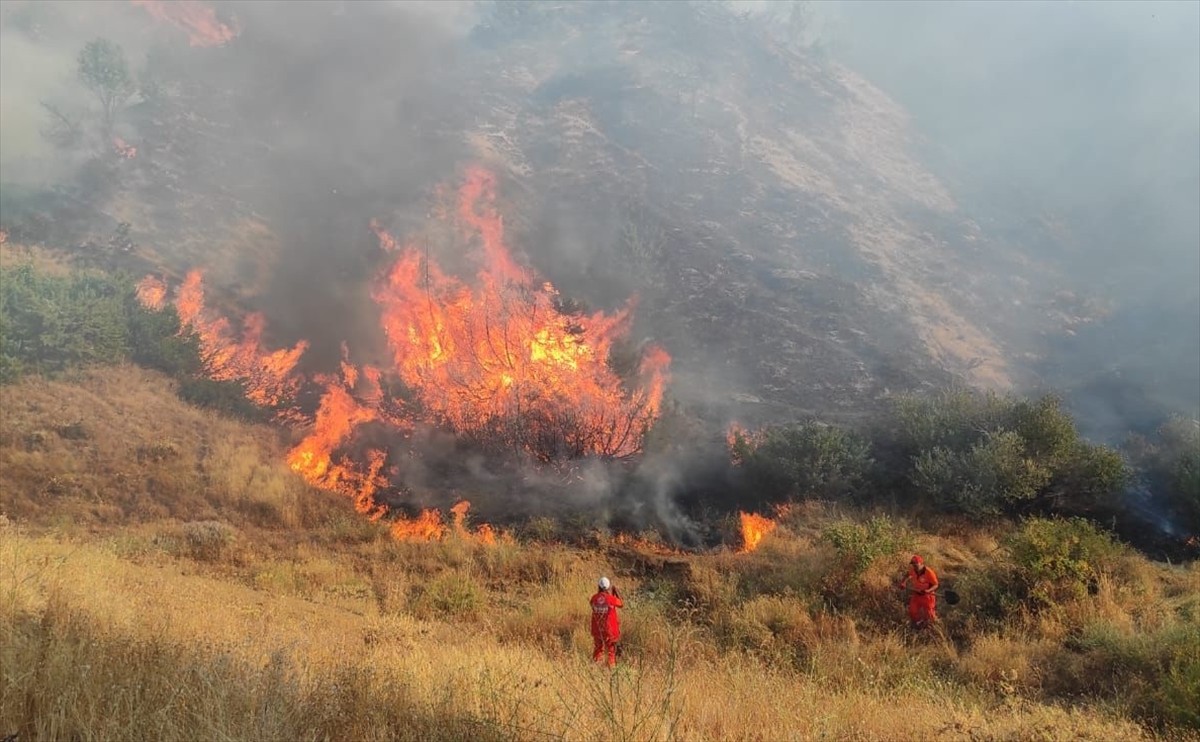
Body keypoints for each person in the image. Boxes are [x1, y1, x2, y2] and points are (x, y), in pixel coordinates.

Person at [897, 554, 938, 629]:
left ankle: (932, 627)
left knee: (930, 614)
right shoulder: (913, 570)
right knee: (912, 611)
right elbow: (908, 575)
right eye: (913, 564)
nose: (914, 566)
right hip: (916, 594)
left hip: (927, 596)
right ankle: (918, 624)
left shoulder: (929, 572)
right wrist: (903, 582)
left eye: (916, 564)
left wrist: (927, 590)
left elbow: (936, 585)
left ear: (921, 563)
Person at [590, 576, 624, 666]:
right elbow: (621, 604)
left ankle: (595, 667)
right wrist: (616, 592)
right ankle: (611, 669)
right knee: (610, 651)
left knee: (598, 649)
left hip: (597, 629)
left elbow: (592, 604)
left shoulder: (594, 598)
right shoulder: (611, 599)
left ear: (598, 586)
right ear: (608, 588)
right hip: (609, 631)